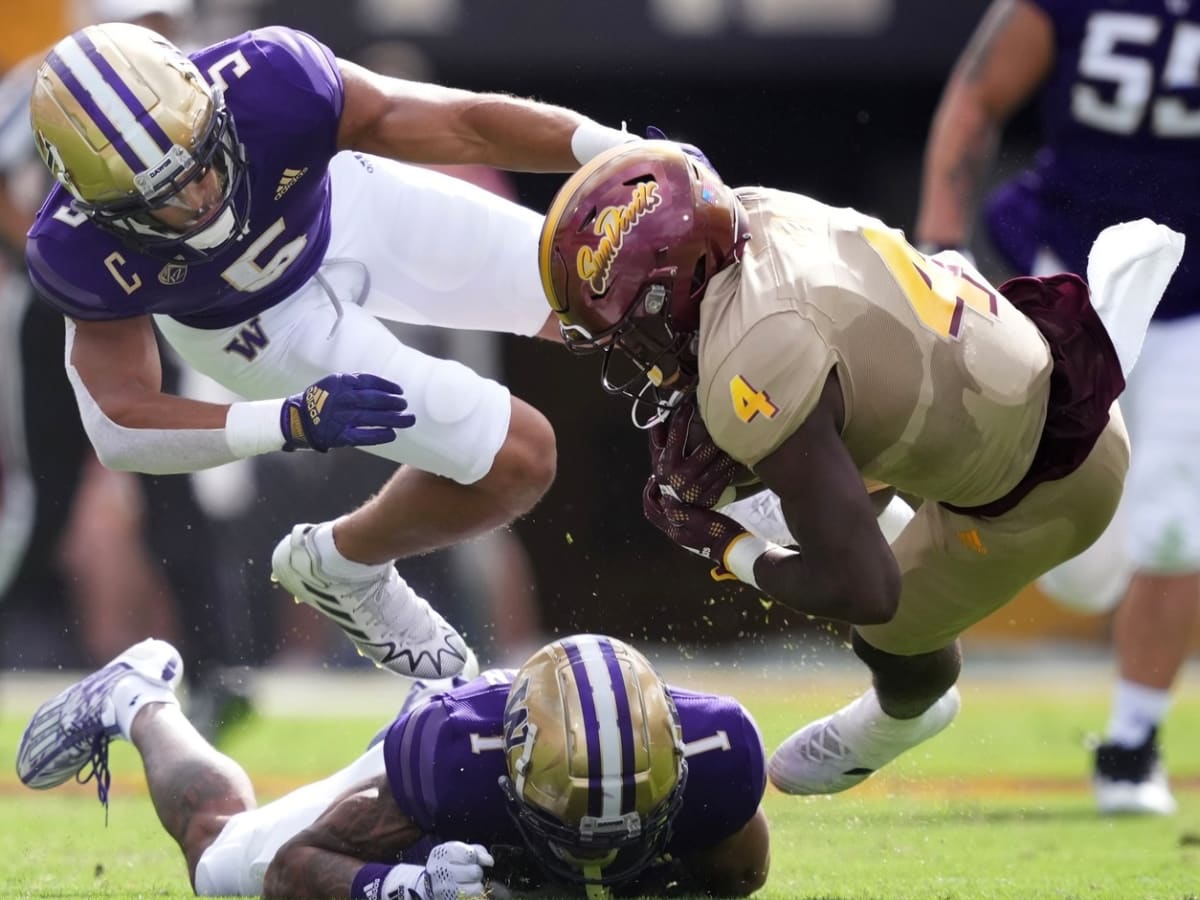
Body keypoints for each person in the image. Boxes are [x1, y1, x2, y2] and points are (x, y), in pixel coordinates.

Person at [23, 21, 672, 679]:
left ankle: (747, 501)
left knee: (620, 286)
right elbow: (118, 423)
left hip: (346, 208)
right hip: (253, 327)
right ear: (105, 209)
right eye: (164, 196)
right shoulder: (75, 249)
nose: (201, 196)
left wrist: (615, 151)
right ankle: (344, 562)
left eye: (202, 162)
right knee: (522, 458)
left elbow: (463, 123)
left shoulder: (272, 78)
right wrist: (284, 421)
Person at [538, 140, 1183, 800]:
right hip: (1013, 363)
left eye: (624, 328)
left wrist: (723, 544)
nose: (625, 350)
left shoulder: (752, 356)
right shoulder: (753, 212)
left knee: (882, 626)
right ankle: (827, 510)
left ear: (671, 283)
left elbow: (866, 590)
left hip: (1048, 485)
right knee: (771, 434)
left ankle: (903, 715)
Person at [914, 0, 1200, 816]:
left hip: (1197, 288)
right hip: (1075, 272)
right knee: (1073, 554)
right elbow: (979, 95)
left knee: (1177, 520)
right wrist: (942, 245)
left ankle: (1132, 742)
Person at [15, 633, 770, 898]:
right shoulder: (449, 767)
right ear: (515, 777)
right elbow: (290, 868)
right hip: (449, 731)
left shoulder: (721, 761)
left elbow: (732, 876)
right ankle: (139, 697)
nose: (601, 850)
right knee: (218, 857)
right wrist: (399, 888)